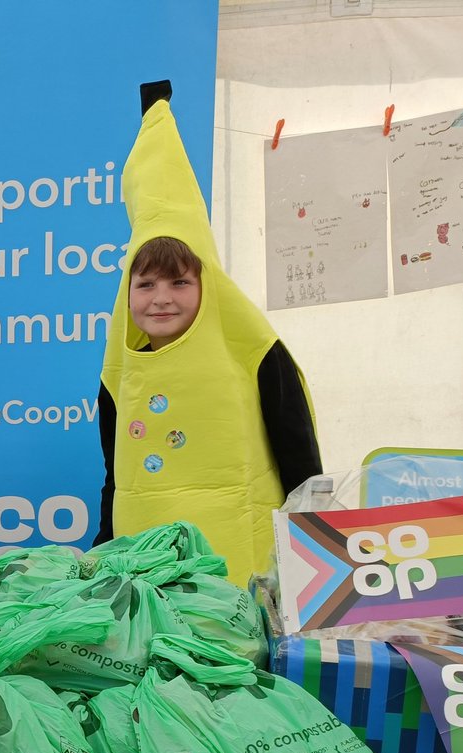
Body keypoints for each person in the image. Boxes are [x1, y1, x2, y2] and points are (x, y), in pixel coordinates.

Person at [96, 87, 321, 585]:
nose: (162, 298)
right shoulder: (121, 367)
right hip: (146, 569)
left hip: (238, 564)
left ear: (208, 285)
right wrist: (102, 546)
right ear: (126, 289)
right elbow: (116, 472)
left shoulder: (254, 350)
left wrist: (311, 559)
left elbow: (301, 461)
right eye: (146, 283)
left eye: (180, 282)